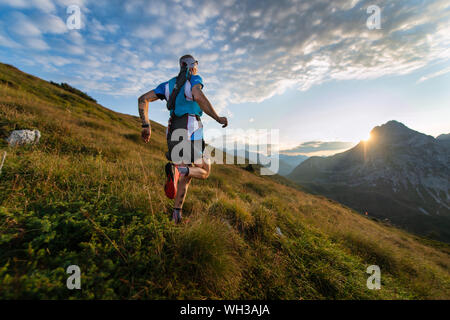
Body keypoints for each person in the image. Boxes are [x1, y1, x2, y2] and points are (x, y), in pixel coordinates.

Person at [138, 54, 228, 224]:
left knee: (185, 174)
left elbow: (143, 99)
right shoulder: (194, 78)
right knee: (204, 170)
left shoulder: (168, 85)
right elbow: (198, 96)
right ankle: (178, 172)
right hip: (190, 127)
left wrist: (146, 125)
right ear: (192, 65)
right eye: (196, 64)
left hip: (172, 129)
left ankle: (176, 216)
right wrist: (218, 118)